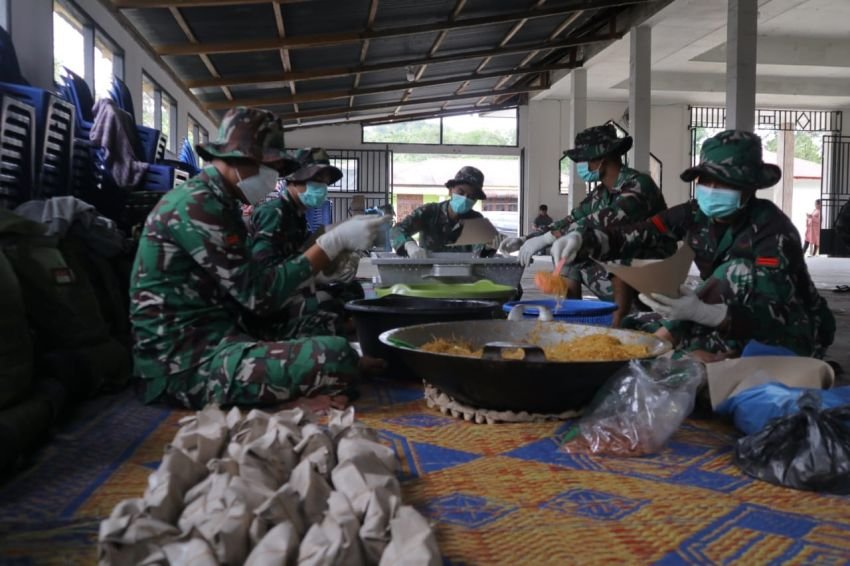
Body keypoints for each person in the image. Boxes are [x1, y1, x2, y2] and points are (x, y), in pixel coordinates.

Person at [129, 108, 389, 409]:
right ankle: (311, 385)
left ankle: (309, 383)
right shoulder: (196, 205)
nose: (273, 178)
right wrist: (331, 245)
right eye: (270, 167)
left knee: (321, 324)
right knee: (336, 355)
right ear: (240, 159)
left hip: (225, 331)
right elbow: (260, 296)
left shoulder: (220, 202)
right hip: (181, 362)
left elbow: (251, 291)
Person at [551, 130, 835, 361]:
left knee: (735, 271)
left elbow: (773, 314)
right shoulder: (695, 213)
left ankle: (713, 354)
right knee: (636, 328)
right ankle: (692, 348)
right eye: (705, 181)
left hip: (785, 328)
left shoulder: (773, 232)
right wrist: (583, 239)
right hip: (723, 314)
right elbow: (640, 233)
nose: (710, 190)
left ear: (750, 186)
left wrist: (703, 313)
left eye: (722, 183)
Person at [500, 124, 672, 327]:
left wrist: (550, 238)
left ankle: (622, 321)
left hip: (650, 270)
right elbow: (572, 219)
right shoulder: (600, 193)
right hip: (622, 272)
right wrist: (525, 239)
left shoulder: (639, 184)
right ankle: (570, 317)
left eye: (585, 160)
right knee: (570, 253)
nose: (582, 166)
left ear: (602, 159)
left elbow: (606, 219)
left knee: (607, 248)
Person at [248, 148, 363, 332]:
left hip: (292, 288)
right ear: (293, 179)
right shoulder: (275, 213)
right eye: (316, 181)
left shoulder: (297, 215)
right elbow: (265, 276)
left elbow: (297, 253)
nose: (322, 188)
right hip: (268, 302)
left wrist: (332, 264)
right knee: (328, 306)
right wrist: (314, 273)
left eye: (325, 183)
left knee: (353, 290)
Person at [390, 166, 493, 257]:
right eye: (461, 192)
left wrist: (496, 244)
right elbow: (396, 231)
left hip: (463, 274)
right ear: (450, 190)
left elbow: (484, 250)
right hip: (429, 274)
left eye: (471, 196)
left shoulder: (475, 220)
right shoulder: (429, 212)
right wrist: (408, 244)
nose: (465, 198)